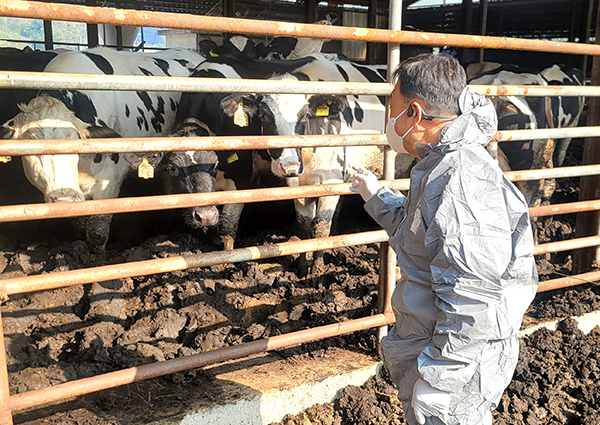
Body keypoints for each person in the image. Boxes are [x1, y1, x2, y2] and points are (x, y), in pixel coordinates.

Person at [349, 53, 538, 425]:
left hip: (458, 364)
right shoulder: (442, 163)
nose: (391, 121)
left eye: (394, 110)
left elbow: (473, 292)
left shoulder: (462, 180)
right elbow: (422, 234)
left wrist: (441, 377)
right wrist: (377, 196)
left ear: (415, 114)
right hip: (441, 346)